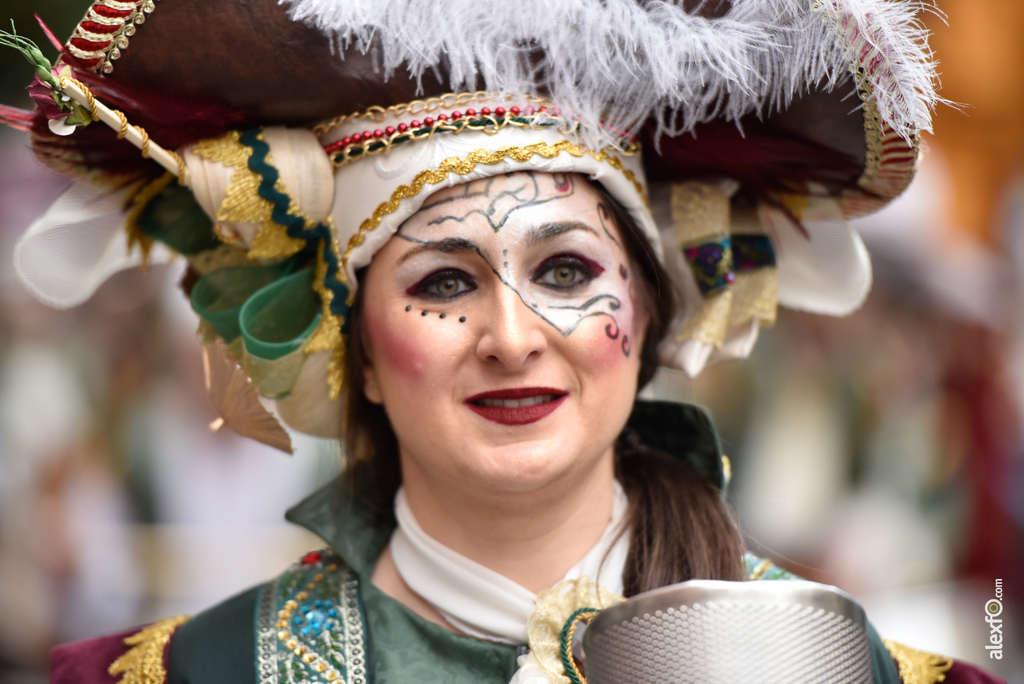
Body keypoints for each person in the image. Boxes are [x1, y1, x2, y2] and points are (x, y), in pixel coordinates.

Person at [0, 0, 1006, 682]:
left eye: (566, 271)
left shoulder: (837, 667)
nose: (512, 337)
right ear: (350, 344)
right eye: (444, 283)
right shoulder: (190, 673)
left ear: (649, 311)